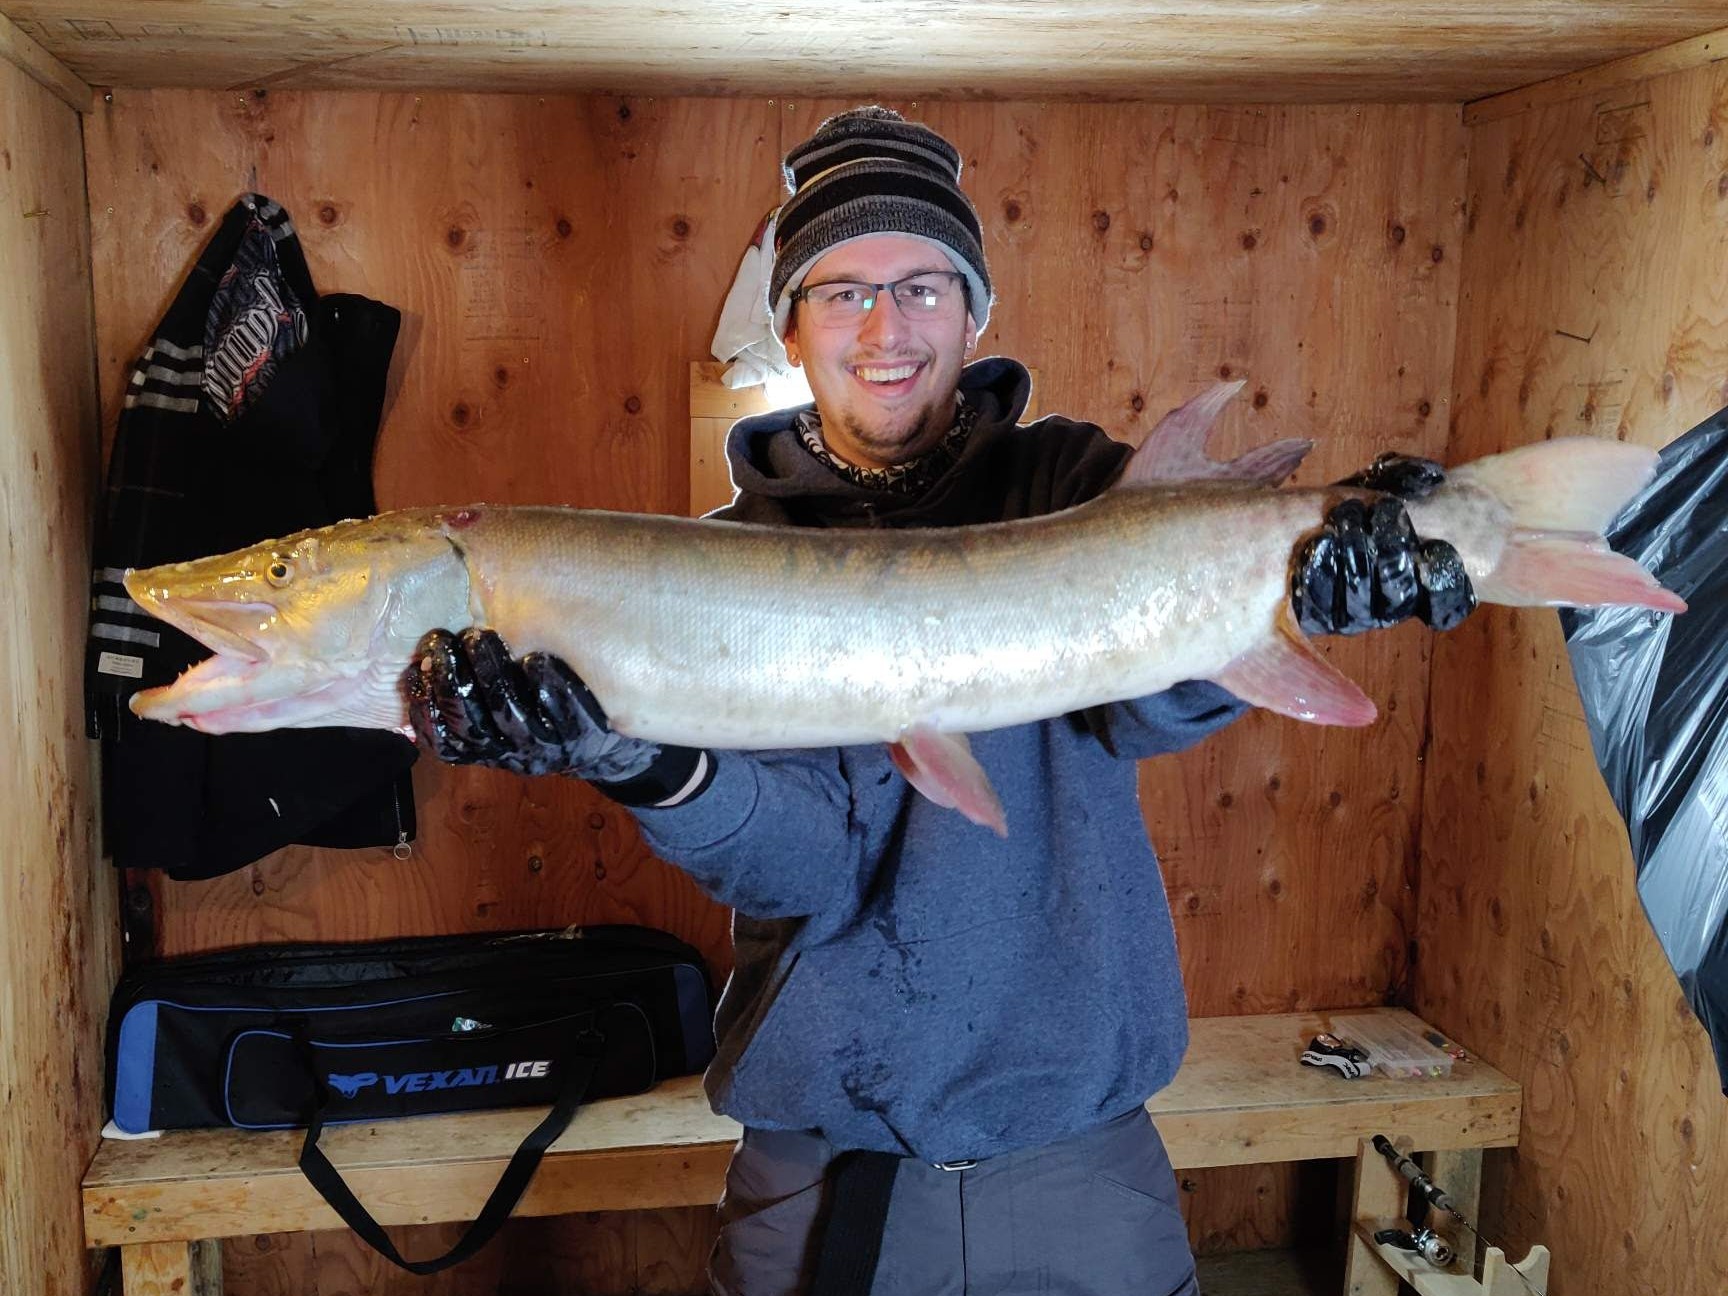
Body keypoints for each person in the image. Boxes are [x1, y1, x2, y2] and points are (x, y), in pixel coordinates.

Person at [403, 107, 1475, 1296]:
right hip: (828, 1179)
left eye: (922, 285)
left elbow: (1140, 711)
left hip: (1084, 1170)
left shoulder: (1072, 486)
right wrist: (631, 759)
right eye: (841, 291)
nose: (884, 327)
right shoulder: (720, 568)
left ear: (974, 312)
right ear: (792, 327)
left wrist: (1314, 585)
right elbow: (803, 865)